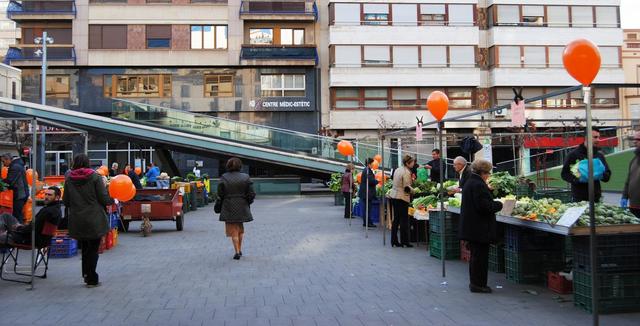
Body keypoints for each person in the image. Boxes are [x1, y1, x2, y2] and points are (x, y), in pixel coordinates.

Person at [63, 153, 114, 288]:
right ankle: (91, 278)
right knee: (93, 248)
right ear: (88, 163)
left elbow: (66, 201)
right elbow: (103, 198)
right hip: (94, 218)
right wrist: (111, 200)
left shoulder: (69, 179)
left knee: (85, 248)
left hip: (77, 219)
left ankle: (86, 275)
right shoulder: (95, 177)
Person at [458, 159, 503, 294]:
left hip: (472, 227)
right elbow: (484, 206)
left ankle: (475, 283)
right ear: (482, 172)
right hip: (479, 228)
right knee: (480, 258)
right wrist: (498, 204)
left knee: (476, 257)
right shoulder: (478, 184)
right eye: (488, 173)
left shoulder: (470, 182)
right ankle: (479, 285)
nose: (488, 175)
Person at [217, 157, 255, 260]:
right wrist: (247, 202)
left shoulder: (224, 177)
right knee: (240, 228)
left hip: (229, 204)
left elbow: (220, 193)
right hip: (242, 205)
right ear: (240, 166)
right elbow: (251, 193)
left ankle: (237, 251)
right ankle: (239, 249)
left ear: (228, 166)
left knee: (233, 229)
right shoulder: (246, 177)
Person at [561, 128, 612, 202]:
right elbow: (565, 174)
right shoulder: (573, 155)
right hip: (579, 198)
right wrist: (578, 179)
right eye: (595, 137)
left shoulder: (599, 155)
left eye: (598, 137)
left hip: (596, 198)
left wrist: (600, 174)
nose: (598, 140)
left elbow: (607, 176)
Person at [389, 155, 416, 248]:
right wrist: (414, 190)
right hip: (402, 198)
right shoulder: (406, 172)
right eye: (412, 162)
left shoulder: (398, 169)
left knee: (396, 219)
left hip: (394, 196)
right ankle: (405, 241)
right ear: (408, 163)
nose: (414, 163)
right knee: (404, 220)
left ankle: (394, 240)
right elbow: (406, 187)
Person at [1, 153, 29, 223]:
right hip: (22, 193)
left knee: (17, 215)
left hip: (20, 194)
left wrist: (1, 182)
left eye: (3, 161)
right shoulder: (17, 165)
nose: (3, 164)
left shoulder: (14, 167)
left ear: (8, 159)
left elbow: (10, 181)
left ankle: (18, 231)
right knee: (18, 214)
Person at [622, 131, 640, 218]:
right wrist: (624, 196)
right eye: (634, 139)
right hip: (634, 207)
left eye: (638, 139)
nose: (635, 141)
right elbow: (628, 181)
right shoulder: (634, 160)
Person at [358, 158, 377, 228]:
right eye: (372, 163)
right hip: (367, 193)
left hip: (366, 192)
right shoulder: (367, 171)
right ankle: (367, 223)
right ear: (369, 164)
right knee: (367, 209)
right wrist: (377, 181)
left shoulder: (366, 170)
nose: (373, 165)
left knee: (367, 208)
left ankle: (367, 222)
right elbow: (371, 181)